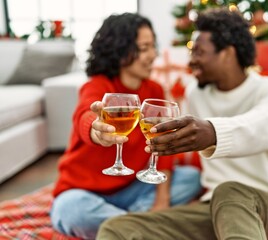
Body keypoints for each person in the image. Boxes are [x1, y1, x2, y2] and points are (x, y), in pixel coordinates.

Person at [97, 8, 268, 240]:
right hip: (215, 209)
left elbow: (266, 127)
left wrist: (213, 132)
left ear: (228, 53)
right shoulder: (196, 94)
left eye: (199, 52)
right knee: (117, 228)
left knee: (230, 191)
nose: (191, 60)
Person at [50, 13, 201, 239]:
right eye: (144, 48)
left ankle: (124, 227)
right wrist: (95, 128)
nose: (153, 55)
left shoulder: (154, 91)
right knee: (71, 210)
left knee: (192, 177)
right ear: (120, 51)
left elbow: (164, 151)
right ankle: (143, 226)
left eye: (153, 46)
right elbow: (84, 115)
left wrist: (161, 202)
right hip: (83, 192)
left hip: (133, 187)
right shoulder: (98, 85)